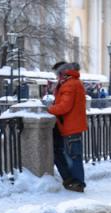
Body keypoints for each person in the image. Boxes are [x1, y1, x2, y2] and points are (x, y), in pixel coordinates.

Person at [48, 61, 88, 192]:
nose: (56, 78)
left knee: (73, 156)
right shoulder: (72, 83)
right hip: (68, 126)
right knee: (64, 153)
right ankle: (71, 180)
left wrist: (48, 110)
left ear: (62, 73)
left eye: (57, 75)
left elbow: (64, 106)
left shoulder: (69, 85)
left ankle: (77, 183)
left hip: (71, 126)